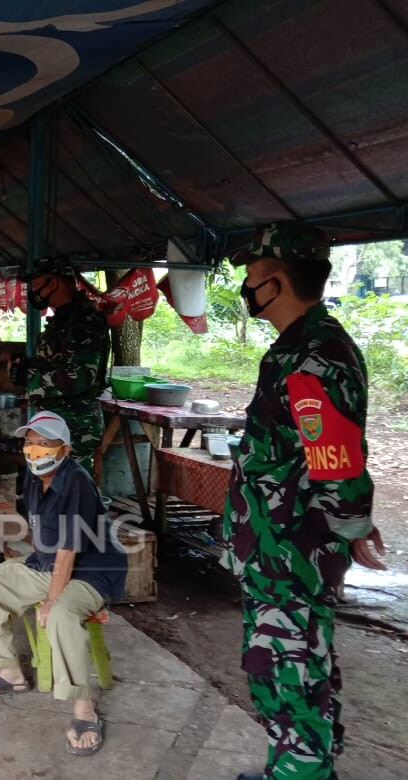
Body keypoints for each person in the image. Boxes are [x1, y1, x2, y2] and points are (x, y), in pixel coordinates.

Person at [223, 222, 386, 780]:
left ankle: (301, 773)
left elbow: (336, 461)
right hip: (280, 543)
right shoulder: (299, 347)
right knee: (293, 660)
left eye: (250, 276)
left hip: (292, 550)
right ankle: (300, 765)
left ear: (275, 282)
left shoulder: (315, 355)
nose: (245, 286)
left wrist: (353, 524)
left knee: (286, 663)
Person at [0, 411, 126, 757]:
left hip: (91, 569)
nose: (35, 450)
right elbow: (43, 534)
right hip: (49, 561)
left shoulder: (76, 482)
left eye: (45, 443)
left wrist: (52, 600)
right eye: (30, 442)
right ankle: (8, 670)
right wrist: (32, 565)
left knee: (61, 615)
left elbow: (69, 553)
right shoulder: (33, 475)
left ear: (65, 449)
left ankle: (84, 707)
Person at [11, 267, 109, 472]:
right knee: (51, 490)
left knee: (73, 492)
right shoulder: (64, 319)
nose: (32, 290)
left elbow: (80, 377)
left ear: (53, 283)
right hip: (57, 422)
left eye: (36, 283)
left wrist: (29, 378)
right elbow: (57, 362)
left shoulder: (82, 321)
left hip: (74, 426)